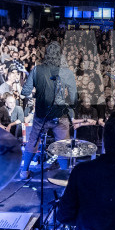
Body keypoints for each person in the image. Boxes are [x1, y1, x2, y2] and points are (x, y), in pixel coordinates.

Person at [20, 41, 77, 179]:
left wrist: (38, 94)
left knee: (33, 140)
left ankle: (24, 172)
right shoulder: (67, 73)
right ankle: (64, 175)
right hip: (59, 115)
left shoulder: (37, 70)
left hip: (41, 115)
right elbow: (74, 99)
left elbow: (25, 91)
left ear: (46, 55)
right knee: (63, 145)